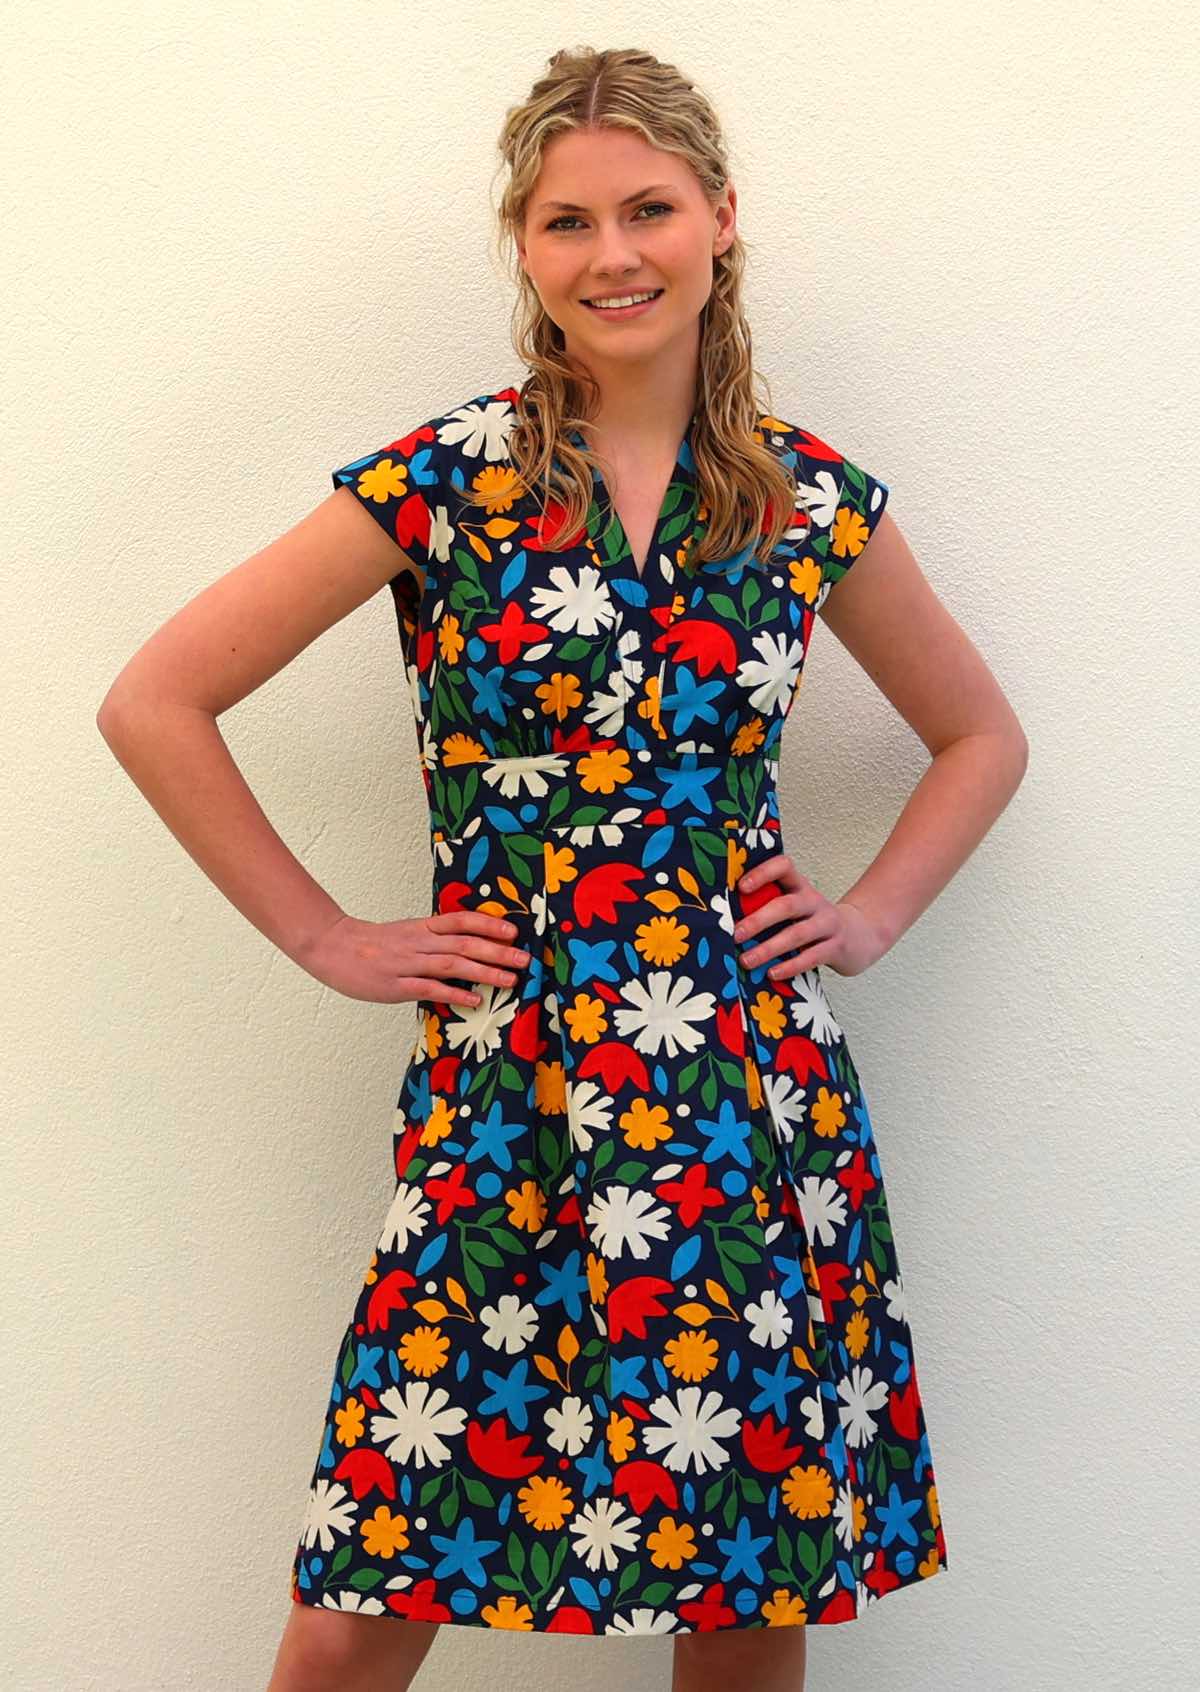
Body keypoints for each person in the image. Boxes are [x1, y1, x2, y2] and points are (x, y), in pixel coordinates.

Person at [97, 44, 1026, 1692]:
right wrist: (323, 936)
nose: (615, 253)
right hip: (507, 1084)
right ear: (524, 249)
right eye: (566, 219)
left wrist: (869, 914)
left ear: (721, 221)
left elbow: (981, 738)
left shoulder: (811, 503)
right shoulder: (447, 480)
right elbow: (156, 698)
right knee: (382, 1565)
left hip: (738, 1088)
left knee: (745, 1575)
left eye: (651, 209)